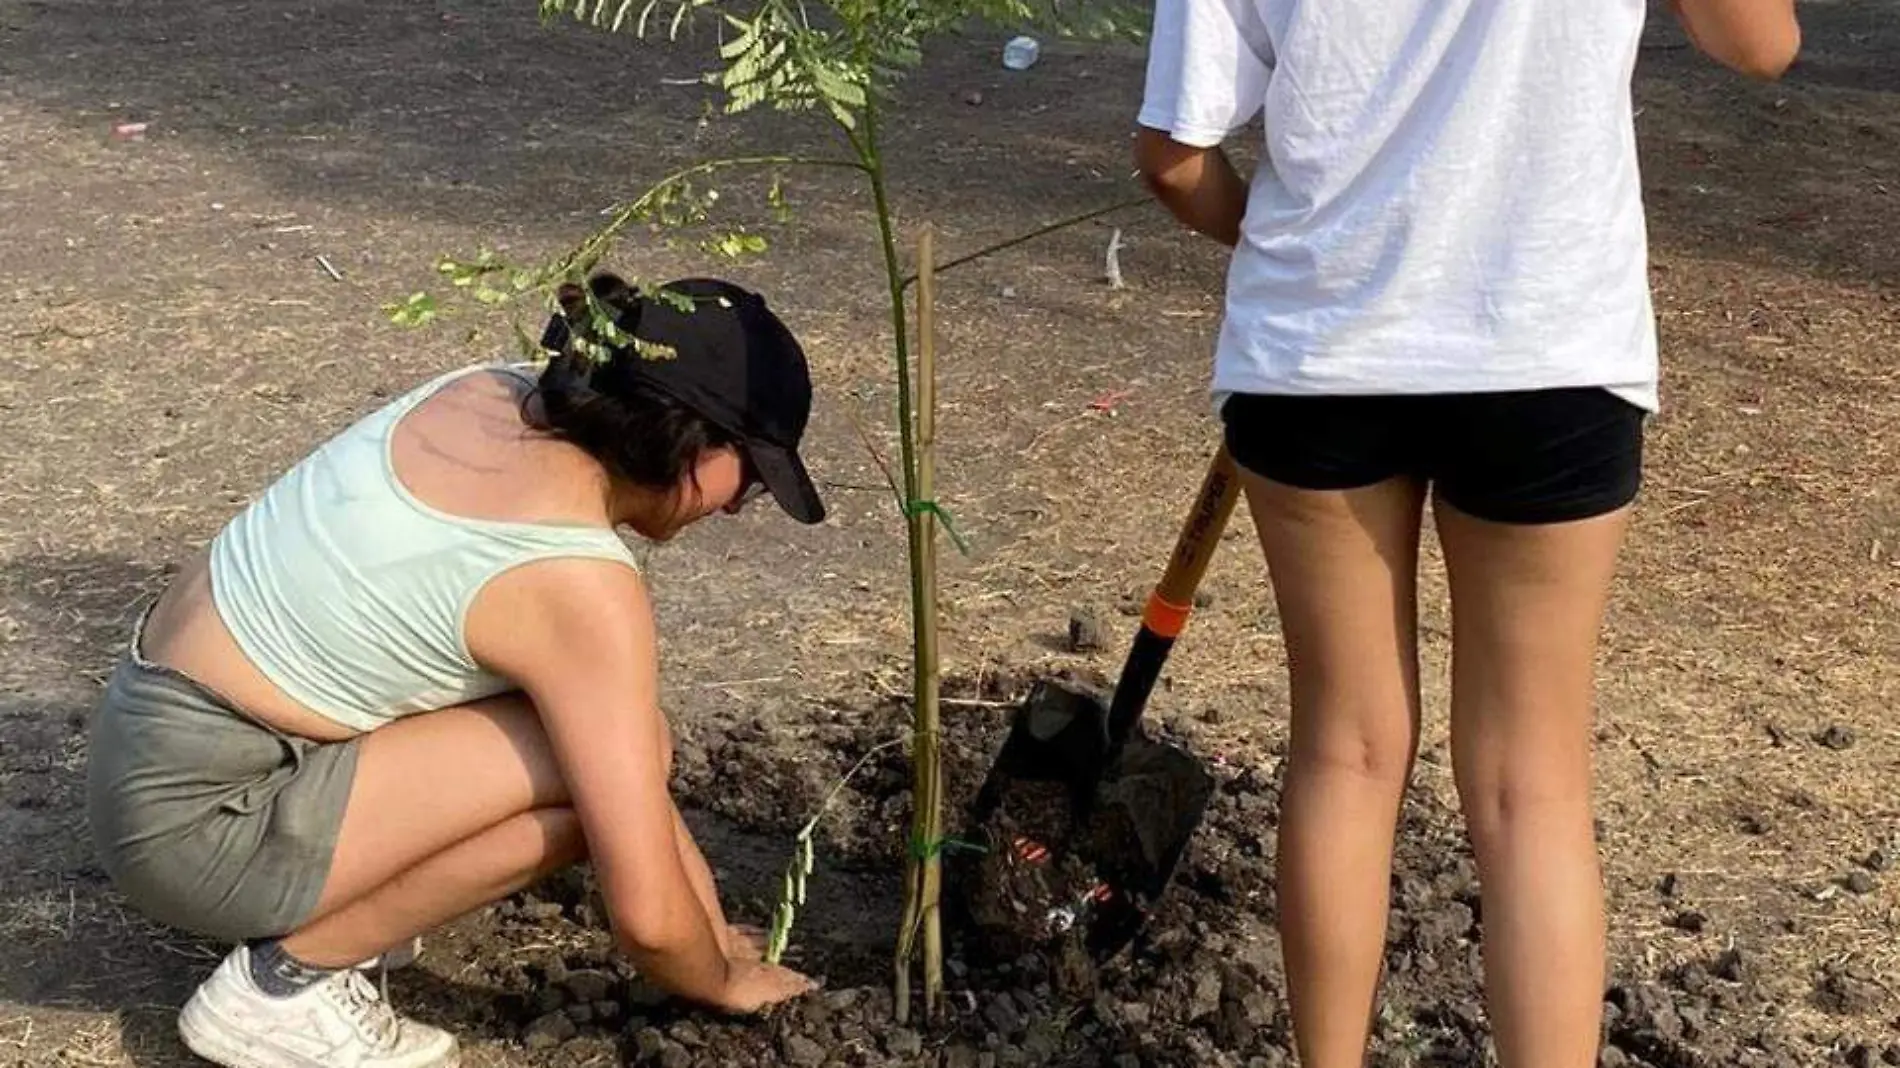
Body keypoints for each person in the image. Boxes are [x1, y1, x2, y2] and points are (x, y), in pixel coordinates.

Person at [1132, 2, 1798, 1066]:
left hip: (1320, 351)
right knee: (1531, 788)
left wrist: (1306, 244)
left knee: (1343, 757)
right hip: (1544, 344)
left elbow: (1173, 157)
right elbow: (1759, 44)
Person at [85, 274, 825, 1068]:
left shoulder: (490, 393)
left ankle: (330, 904)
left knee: (621, 749)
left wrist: (710, 929)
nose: (739, 506)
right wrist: (724, 981)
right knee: (597, 795)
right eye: (750, 478)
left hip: (151, 747)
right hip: (202, 828)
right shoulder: (573, 581)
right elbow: (645, 917)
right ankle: (282, 987)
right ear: (693, 440)